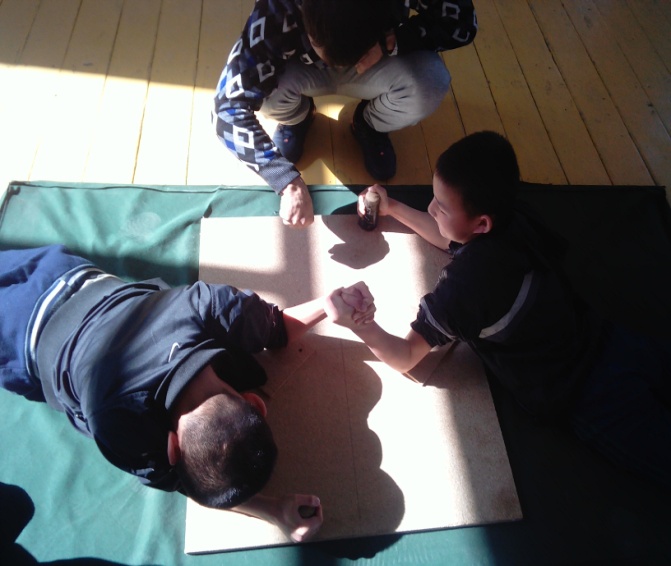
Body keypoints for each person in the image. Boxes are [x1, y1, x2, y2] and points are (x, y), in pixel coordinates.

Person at [325, 131, 671, 491]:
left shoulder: (464, 291)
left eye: (441, 206)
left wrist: (360, 325)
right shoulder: (516, 217)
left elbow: (406, 356)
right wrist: (394, 207)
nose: (430, 208)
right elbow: (451, 237)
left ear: (481, 224)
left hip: (581, 392)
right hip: (608, 338)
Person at [0, 245, 372, 542]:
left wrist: (329, 305)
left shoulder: (207, 306)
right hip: (20, 341)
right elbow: (184, 482)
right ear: (171, 447)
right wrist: (270, 509)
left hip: (64, 271)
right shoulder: (112, 421)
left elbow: (274, 327)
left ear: (256, 403)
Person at [213, 0, 477, 228]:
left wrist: (393, 41)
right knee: (264, 94)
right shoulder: (276, 8)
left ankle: (368, 123)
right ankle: (297, 117)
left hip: (377, 57)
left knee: (430, 82)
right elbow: (226, 108)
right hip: (299, 66)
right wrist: (285, 180)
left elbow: (464, 24)